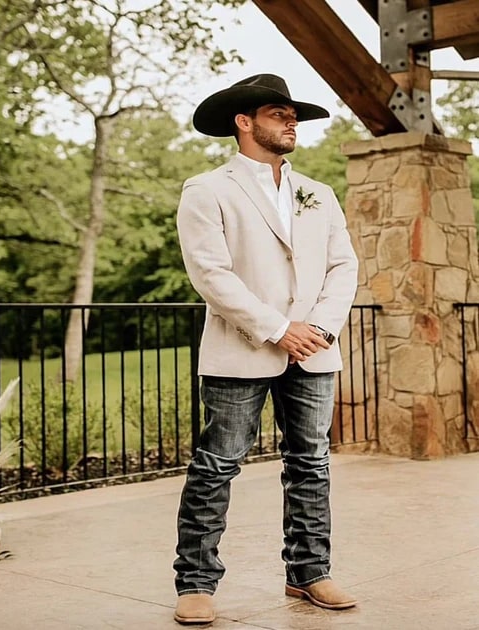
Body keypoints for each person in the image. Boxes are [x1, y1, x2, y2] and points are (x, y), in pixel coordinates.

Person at [173, 74, 359, 625]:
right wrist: (278, 328)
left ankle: (309, 573)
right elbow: (210, 274)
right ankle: (196, 582)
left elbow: (343, 266)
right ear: (244, 122)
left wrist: (318, 329)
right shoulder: (207, 189)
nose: (291, 122)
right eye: (279, 114)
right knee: (217, 464)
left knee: (311, 464)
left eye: (293, 115)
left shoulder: (319, 194)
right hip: (242, 348)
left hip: (314, 350)